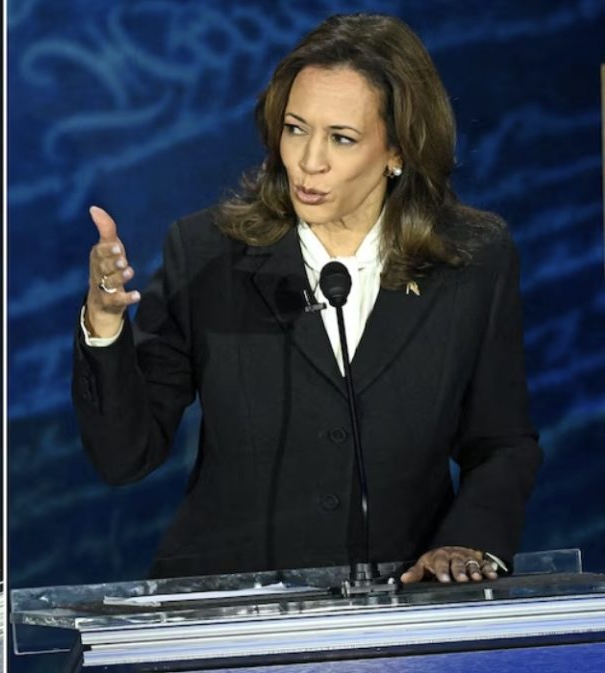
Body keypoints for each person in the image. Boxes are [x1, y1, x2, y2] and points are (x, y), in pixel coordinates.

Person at [73, 14, 541, 584]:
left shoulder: (472, 257)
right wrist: (104, 324)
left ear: (398, 150)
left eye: (341, 138)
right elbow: (126, 456)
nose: (309, 161)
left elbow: (501, 441)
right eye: (296, 129)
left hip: (401, 605)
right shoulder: (207, 253)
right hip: (232, 610)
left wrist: (469, 543)